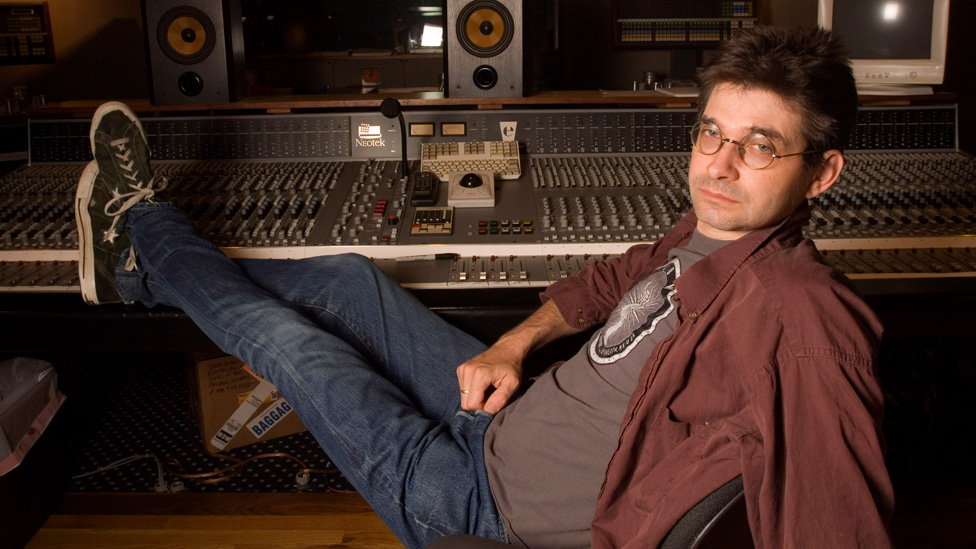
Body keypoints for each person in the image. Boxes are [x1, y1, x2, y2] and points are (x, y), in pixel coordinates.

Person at [75, 25, 893, 549]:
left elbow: (838, 526)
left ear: (823, 172)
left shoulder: (804, 319)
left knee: (295, 348)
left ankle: (143, 232)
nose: (718, 164)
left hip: (479, 505)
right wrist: (513, 343)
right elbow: (613, 279)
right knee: (351, 279)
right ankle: (144, 273)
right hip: (502, 412)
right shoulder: (712, 232)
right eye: (712, 131)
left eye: (760, 146)